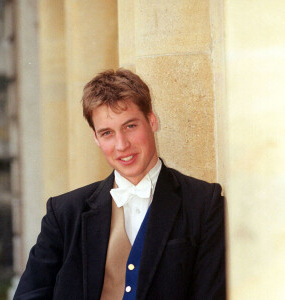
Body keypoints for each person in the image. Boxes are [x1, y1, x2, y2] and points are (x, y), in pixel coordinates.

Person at [14, 69, 226, 299]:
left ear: (151, 121)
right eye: (107, 133)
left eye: (130, 126)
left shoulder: (205, 204)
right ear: (96, 138)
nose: (121, 145)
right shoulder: (64, 213)